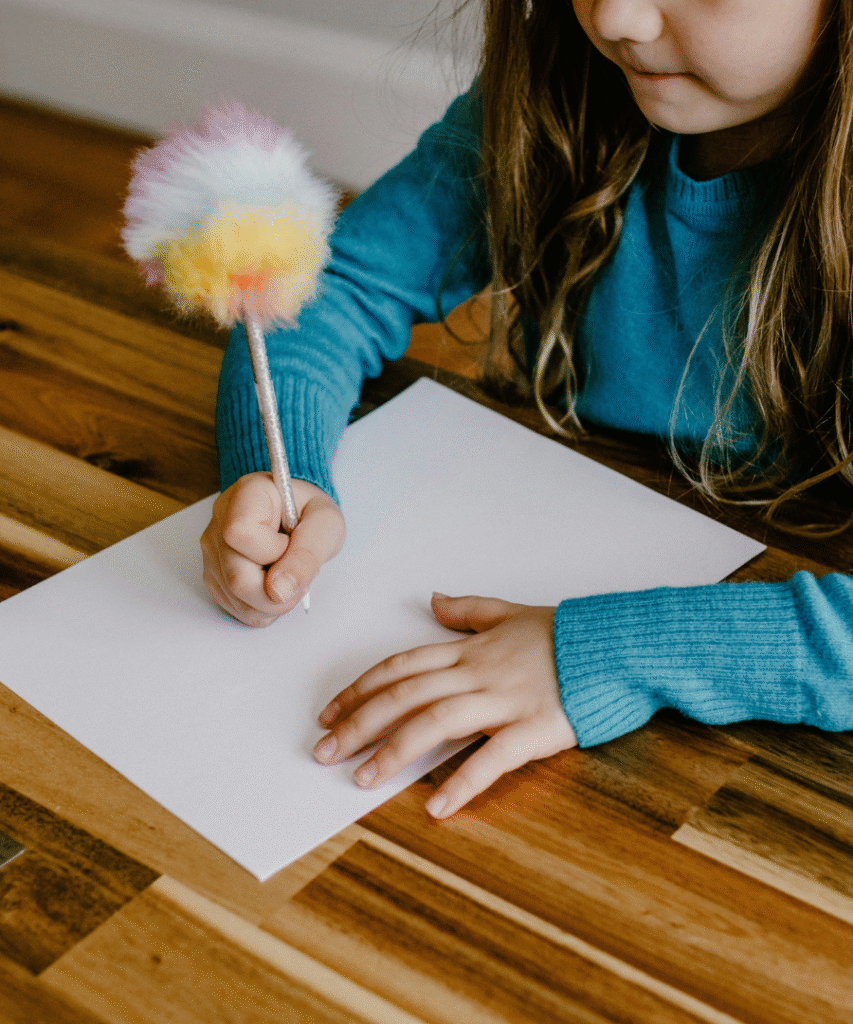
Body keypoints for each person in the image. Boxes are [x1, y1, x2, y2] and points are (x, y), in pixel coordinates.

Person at [201, 0, 853, 819]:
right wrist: (281, 466)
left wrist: (597, 656)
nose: (615, 17)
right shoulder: (560, 91)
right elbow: (336, 289)